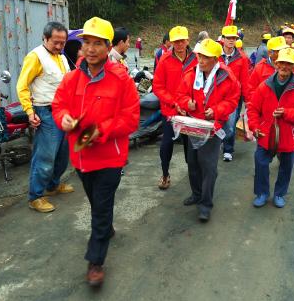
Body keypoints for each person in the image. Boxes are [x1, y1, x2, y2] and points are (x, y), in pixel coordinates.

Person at [52, 16, 140, 286]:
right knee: (96, 202)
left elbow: (131, 118)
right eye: (86, 43)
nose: (90, 49)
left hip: (109, 157)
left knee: (99, 209)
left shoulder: (121, 79)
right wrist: (64, 118)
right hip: (80, 157)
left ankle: (95, 262)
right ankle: (106, 227)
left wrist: (101, 130)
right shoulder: (70, 78)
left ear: (107, 46)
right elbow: (58, 106)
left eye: (97, 44)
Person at [176, 38, 240, 221]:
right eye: (199, 56)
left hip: (212, 128)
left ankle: (205, 204)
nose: (201, 60)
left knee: (209, 167)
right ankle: (196, 194)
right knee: (193, 163)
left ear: (215, 59)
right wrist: (185, 102)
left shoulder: (226, 77)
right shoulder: (191, 74)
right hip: (193, 125)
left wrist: (217, 110)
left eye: (205, 57)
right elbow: (180, 95)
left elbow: (232, 100)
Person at [248, 47, 294, 208]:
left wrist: (288, 113)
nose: (284, 67)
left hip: (288, 136)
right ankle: (262, 193)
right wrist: (254, 126)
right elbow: (253, 108)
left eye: (289, 64)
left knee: (286, 166)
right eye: (282, 63)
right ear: (276, 64)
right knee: (261, 163)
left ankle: (279, 194)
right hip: (265, 133)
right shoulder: (264, 86)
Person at [16, 21, 72, 213]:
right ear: (45, 38)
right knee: (45, 157)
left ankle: (53, 185)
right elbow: (22, 86)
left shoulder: (62, 58)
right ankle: (36, 196)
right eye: (55, 42)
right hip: (45, 112)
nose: (59, 46)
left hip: (63, 112)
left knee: (63, 155)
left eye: (62, 43)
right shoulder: (35, 57)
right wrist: (30, 112)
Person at [153, 26, 197, 190]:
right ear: (170, 42)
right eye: (175, 41)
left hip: (191, 110)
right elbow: (157, 86)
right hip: (170, 111)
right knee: (167, 144)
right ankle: (165, 174)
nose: (179, 44)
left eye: (182, 41)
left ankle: (193, 174)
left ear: (188, 40)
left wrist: (190, 103)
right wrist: (174, 103)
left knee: (190, 145)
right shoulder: (164, 59)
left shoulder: (196, 58)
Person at [219, 25, 250, 162]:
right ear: (223, 39)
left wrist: (248, 100)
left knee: (230, 126)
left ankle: (228, 149)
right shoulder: (215, 55)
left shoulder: (242, 58)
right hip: (217, 96)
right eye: (229, 38)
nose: (231, 41)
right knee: (218, 122)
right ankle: (221, 142)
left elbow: (245, 80)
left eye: (234, 38)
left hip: (234, 97)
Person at [248, 36, 288, 101]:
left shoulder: (291, 67)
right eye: (278, 51)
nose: (282, 53)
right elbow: (251, 91)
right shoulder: (260, 68)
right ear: (270, 53)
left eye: (284, 50)